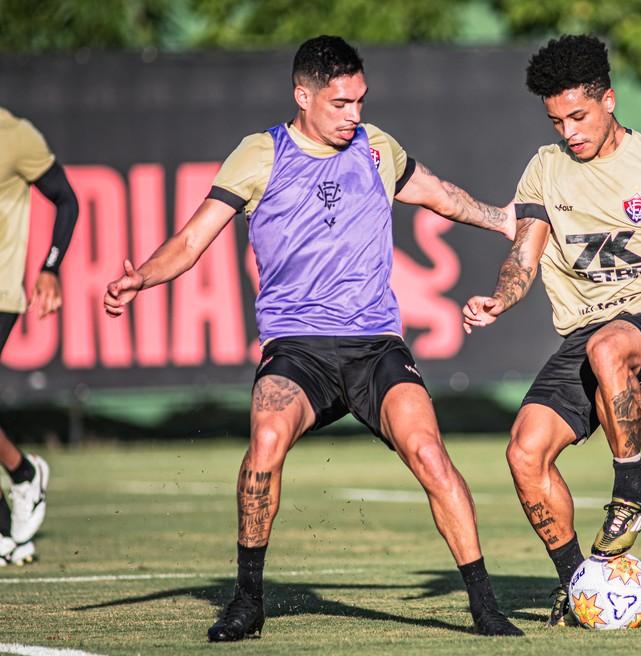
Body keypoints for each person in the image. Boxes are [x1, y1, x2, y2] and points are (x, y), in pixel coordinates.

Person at [104, 36, 523, 640]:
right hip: (297, 350)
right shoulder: (261, 154)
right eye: (341, 104)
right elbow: (193, 240)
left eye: (360, 101)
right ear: (303, 96)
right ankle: (248, 603)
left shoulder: (377, 147)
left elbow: (436, 193)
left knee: (431, 455)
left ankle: (484, 606)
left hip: (376, 346)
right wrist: (141, 276)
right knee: (266, 443)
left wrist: (500, 219)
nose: (355, 115)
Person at [462, 35, 641, 626]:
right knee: (524, 453)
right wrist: (500, 299)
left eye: (578, 116)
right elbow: (523, 255)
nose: (569, 132)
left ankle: (629, 495)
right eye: (557, 120)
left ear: (608, 100)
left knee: (610, 345)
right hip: (585, 336)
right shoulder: (545, 168)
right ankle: (576, 583)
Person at [0, 107, 78, 566]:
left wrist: (50, 268)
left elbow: (66, 199)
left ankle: (23, 480)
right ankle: (22, 476)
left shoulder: (15, 135)